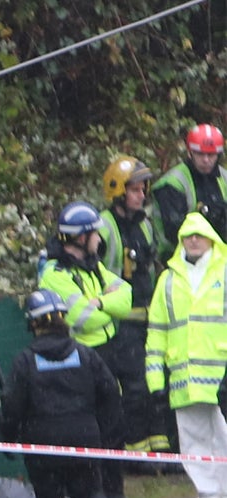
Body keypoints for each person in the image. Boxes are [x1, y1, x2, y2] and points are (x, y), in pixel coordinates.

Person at [0, 289, 136, 498]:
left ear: (33, 325)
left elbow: (12, 407)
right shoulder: (85, 355)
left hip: (43, 448)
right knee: (89, 496)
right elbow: (110, 394)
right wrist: (105, 436)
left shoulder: (25, 362)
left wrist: (9, 440)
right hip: (84, 442)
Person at [38, 200, 147, 498]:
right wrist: (104, 307)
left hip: (107, 351)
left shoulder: (92, 264)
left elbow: (125, 297)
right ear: (81, 237)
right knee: (91, 432)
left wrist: (99, 301)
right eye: (95, 233)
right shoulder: (55, 275)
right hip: (80, 357)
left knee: (113, 425)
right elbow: (83, 319)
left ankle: (115, 496)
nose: (100, 238)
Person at [145, 212, 227, 498]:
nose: (193, 240)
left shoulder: (224, 272)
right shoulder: (167, 280)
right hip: (182, 377)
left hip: (219, 376)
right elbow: (157, 331)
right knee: (193, 440)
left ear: (210, 239)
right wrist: (155, 379)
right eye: (187, 236)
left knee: (223, 437)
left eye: (199, 234)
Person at [98, 155, 172, 457]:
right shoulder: (103, 226)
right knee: (135, 387)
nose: (142, 195)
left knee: (157, 383)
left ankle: (160, 448)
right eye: (136, 190)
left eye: (144, 190)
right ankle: (136, 452)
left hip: (149, 321)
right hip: (120, 325)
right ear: (118, 191)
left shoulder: (143, 224)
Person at [153, 123, 227, 258]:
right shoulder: (173, 183)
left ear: (219, 155)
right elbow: (174, 230)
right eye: (200, 154)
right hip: (177, 257)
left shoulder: (224, 178)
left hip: (218, 257)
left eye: (211, 155)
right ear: (189, 152)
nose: (206, 160)